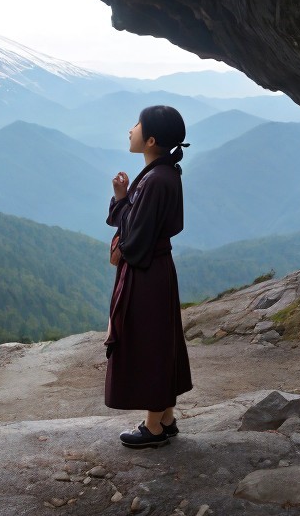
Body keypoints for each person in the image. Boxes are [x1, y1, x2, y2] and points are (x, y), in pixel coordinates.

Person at [104, 105, 193, 448]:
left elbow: (135, 237)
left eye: (138, 125)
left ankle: (153, 427)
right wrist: (124, 199)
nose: (131, 129)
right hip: (157, 269)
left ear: (151, 139)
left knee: (149, 344)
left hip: (146, 273)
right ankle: (166, 417)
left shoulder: (155, 180)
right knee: (160, 340)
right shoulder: (162, 174)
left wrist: (122, 205)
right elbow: (139, 225)